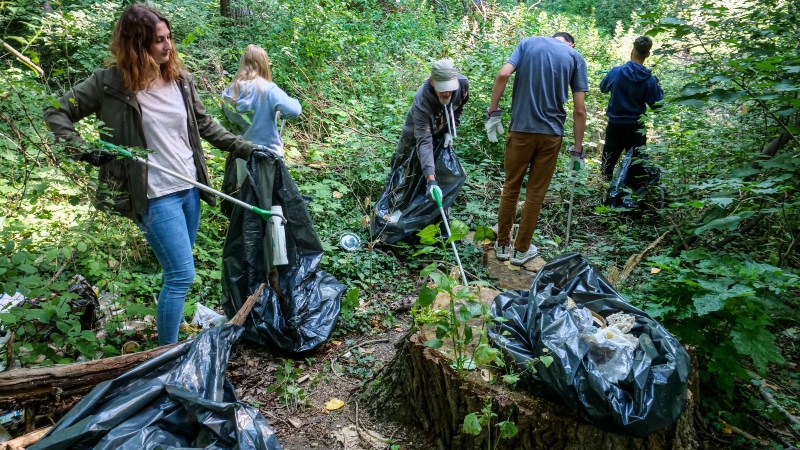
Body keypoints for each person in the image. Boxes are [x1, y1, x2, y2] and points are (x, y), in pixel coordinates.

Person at [43, 4, 256, 346]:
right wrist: (82, 149)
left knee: (177, 273)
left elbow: (204, 125)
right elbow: (56, 111)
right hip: (153, 195)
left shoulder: (179, 79)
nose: (167, 45)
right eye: (158, 40)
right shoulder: (109, 83)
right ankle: (165, 356)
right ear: (135, 43)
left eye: (169, 37)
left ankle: (171, 335)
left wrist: (245, 148)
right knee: (181, 275)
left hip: (189, 186)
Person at [485, 32, 588, 266]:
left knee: (511, 187)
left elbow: (503, 74)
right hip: (551, 135)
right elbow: (580, 110)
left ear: (553, 38)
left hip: (520, 129)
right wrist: (577, 148)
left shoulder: (528, 43)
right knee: (535, 194)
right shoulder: (575, 57)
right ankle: (521, 251)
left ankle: (503, 246)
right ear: (571, 44)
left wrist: (493, 112)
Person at [369, 59, 469, 243]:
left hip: (439, 134)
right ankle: (387, 220)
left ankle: (428, 223)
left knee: (440, 175)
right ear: (432, 82)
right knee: (401, 176)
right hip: (413, 138)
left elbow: (458, 107)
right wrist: (431, 180)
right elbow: (424, 141)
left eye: (450, 88)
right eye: (442, 89)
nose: (447, 93)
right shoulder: (422, 101)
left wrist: (449, 129)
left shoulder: (462, 85)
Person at [222, 44, 301, 186]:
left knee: (247, 196)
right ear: (263, 64)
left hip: (242, 154)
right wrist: (284, 111)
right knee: (270, 198)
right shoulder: (268, 89)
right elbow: (294, 110)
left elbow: (228, 125)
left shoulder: (229, 92)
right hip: (268, 156)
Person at [599, 36, 663, 181]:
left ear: (632, 50)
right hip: (636, 127)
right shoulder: (649, 79)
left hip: (615, 125)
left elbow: (603, 88)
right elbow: (657, 106)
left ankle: (603, 189)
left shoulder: (616, 72)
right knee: (637, 168)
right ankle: (634, 192)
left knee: (607, 165)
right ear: (648, 54)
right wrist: (659, 88)